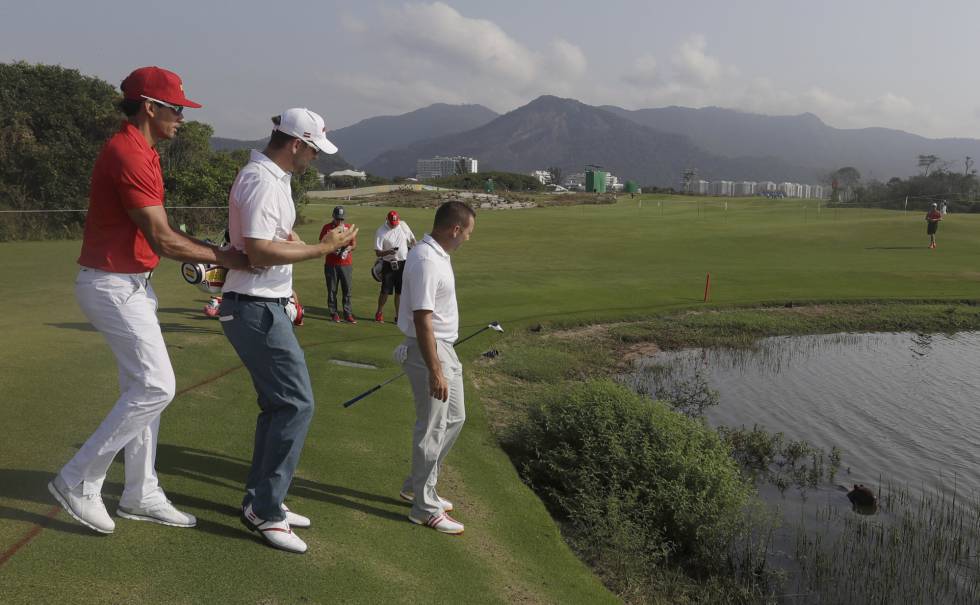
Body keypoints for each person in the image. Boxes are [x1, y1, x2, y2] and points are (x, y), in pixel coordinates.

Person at [48, 66, 249, 534]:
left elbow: (162, 231)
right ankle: (77, 479)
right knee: (157, 387)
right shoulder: (128, 153)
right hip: (112, 285)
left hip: (133, 284)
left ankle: (140, 492)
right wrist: (227, 257)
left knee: (141, 391)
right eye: (176, 108)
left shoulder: (145, 152)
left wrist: (213, 251)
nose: (182, 117)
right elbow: (162, 237)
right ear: (150, 107)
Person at [219, 108, 357, 554]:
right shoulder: (261, 180)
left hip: (264, 303)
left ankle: (262, 500)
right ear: (296, 144)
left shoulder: (274, 178)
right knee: (297, 404)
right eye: (313, 150)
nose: (315, 158)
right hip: (255, 307)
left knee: (278, 406)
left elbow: (273, 239)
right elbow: (258, 252)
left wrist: (299, 246)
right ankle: (265, 509)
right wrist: (322, 248)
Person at [395, 201, 476, 534]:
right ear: (455, 229)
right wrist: (435, 370)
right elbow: (422, 319)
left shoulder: (437, 255)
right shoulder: (427, 260)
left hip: (445, 348)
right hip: (431, 350)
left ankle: (416, 486)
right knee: (431, 428)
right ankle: (424, 508)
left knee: (455, 417)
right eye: (467, 232)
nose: (468, 238)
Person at [374, 210, 416, 323]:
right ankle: (379, 312)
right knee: (385, 291)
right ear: (387, 220)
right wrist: (388, 252)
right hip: (388, 264)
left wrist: (415, 247)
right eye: (392, 223)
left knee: (400, 292)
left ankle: (399, 316)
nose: (394, 225)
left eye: (396, 223)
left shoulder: (403, 225)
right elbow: (378, 252)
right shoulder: (381, 231)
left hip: (403, 263)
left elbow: (412, 239)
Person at [320, 205, 357, 323]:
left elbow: (354, 244)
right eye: (338, 219)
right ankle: (334, 313)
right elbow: (321, 243)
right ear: (333, 217)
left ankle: (347, 314)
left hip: (346, 263)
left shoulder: (348, 228)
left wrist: (348, 249)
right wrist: (331, 249)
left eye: (342, 219)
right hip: (331, 264)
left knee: (347, 290)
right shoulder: (327, 228)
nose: (340, 221)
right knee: (332, 290)